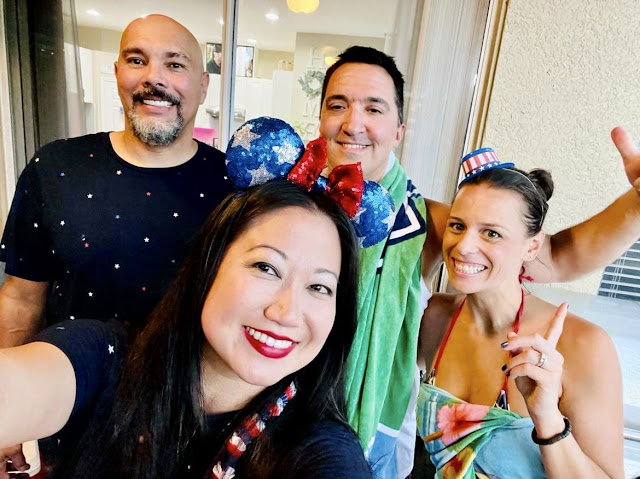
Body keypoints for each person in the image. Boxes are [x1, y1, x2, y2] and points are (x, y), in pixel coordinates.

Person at [318, 45, 639, 476]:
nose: (354, 123)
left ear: (398, 130)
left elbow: (558, 255)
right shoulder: (289, 209)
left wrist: (637, 203)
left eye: (374, 108)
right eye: (338, 105)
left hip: (361, 441)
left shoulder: (424, 222)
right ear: (320, 117)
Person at [0, 179, 372, 479]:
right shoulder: (102, 358)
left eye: (319, 287)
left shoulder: (321, 448)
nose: (286, 313)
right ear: (210, 264)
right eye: (266, 268)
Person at [0, 15, 233, 348]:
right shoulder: (55, 166)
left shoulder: (233, 185)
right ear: (117, 72)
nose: (153, 77)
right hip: (69, 377)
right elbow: (21, 300)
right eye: (137, 60)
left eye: (175, 65)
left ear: (203, 86)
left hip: (190, 382)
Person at [416, 150, 623, 478]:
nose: (464, 246)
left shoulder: (584, 345)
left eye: (491, 233)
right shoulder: (433, 318)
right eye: (458, 225)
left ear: (532, 246)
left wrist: (547, 419)